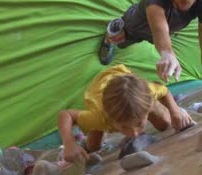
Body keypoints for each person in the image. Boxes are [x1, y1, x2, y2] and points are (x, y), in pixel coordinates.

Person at [58, 64, 194, 164]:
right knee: (93, 147)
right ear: (111, 119)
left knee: (165, 123)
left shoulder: (148, 94)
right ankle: (98, 135)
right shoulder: (99, 117)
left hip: (124, 78)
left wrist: (175, 111)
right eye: (124, 127)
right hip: (97, 89)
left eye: (139, 124)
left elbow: (163, 90)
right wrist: (69, 143)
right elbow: (66, 115)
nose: (134, 134)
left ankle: (161, 113)